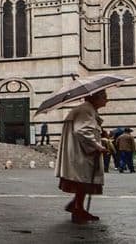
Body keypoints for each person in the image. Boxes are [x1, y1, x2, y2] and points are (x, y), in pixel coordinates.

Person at [56, 90, 109, 223]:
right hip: (81, 152)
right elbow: (82, 130)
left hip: (81, 151)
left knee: (83, 180)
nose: (107, 100)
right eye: (105, 97)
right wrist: (98, 146)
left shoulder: (87, 109)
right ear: (96, 98)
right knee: (83, 180)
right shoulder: (86, 110)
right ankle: (78, 209)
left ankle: (77, 206)